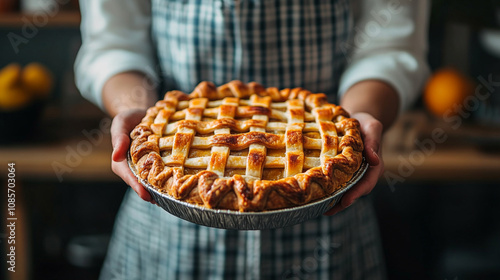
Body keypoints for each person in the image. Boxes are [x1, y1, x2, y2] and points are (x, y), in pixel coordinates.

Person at [75, 0, 429, 279]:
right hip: (167, 225)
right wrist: (140, 115)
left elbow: (389, 43)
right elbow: (113, 43)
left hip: (327, 224)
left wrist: (358, 119)